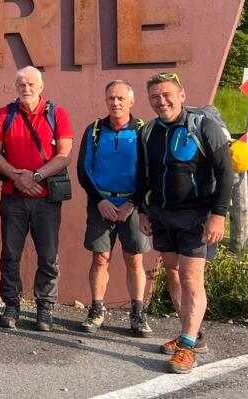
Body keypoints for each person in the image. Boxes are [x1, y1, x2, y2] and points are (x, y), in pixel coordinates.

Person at [135, 73, 232, 374]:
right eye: (155, 96)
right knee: (174, 274)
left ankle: (187, 346)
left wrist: (218, 214)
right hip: (162, 215)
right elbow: (142, 173)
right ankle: (194, 334)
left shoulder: (204, 127)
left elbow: (226, 171)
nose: (161, 100)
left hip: (197, 216)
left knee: (191, 278)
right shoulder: (148, 131)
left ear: (181, 95)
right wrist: (142, 210)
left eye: (166, 94)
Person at [0, 66, 74, 331]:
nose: (26, 89)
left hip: (46, 199)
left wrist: (35, 177)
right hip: (13, 196)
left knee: (48, 256)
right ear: (16, 87)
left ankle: (44, 308)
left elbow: (64, 155)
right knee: (10, 254)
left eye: (31, 84)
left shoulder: (57, 113)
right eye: (22, 84)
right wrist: (18, 178)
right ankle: (12, 304)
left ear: (41, 86)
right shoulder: (4, 114)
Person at [75, 81, 152, 336]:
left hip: (132, 206)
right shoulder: (95, 130)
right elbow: (83, 170)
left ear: (131, 101)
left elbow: (149, 173)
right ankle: (96, 310)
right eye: (111, 98)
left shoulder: (143, 131)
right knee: (100, 258)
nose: (115, 103)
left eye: (120, 98)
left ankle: (138, 314)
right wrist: (100, 201)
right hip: (102, 204)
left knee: (134, 259)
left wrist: (133, 203)